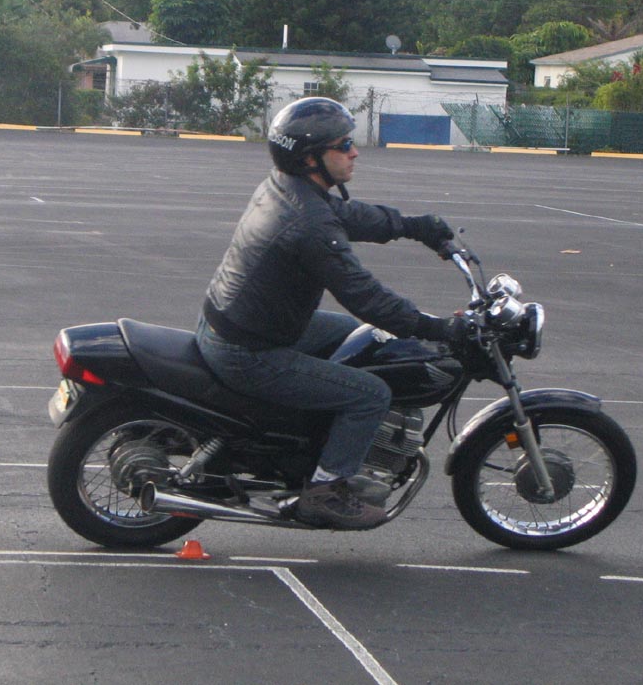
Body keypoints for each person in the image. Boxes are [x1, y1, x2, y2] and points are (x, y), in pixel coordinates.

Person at [195, 97, 467, 530]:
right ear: (310, 158)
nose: (354, 151)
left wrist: (413, 226)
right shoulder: (308, 223)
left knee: (360, 336)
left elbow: (347, 215)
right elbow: (365, 295)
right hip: (248, 350)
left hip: (240, 323)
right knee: (370, 393)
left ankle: (314, 438)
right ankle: (324, 491)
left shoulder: (289, 188)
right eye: (343, 145)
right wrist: (437, 328)